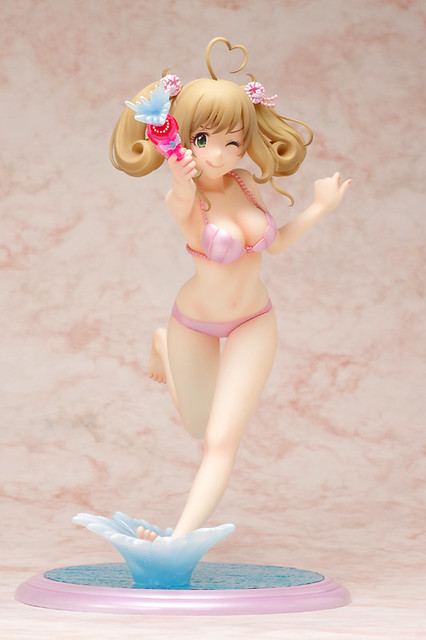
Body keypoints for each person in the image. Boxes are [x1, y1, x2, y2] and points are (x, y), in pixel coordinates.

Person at [109, 38, 351, 542]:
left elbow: (276, 244)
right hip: (194, 322)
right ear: (182, 139)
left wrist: (320, 207)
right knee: (198, 427)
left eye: (233, 142)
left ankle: (176, 541)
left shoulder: (244, 183)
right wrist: (179, 175)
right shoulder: (183, 198)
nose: (218, 154)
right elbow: (180, 196)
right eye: (203, 140)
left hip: (253, 320)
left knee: (220, 441)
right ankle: (163, 343)